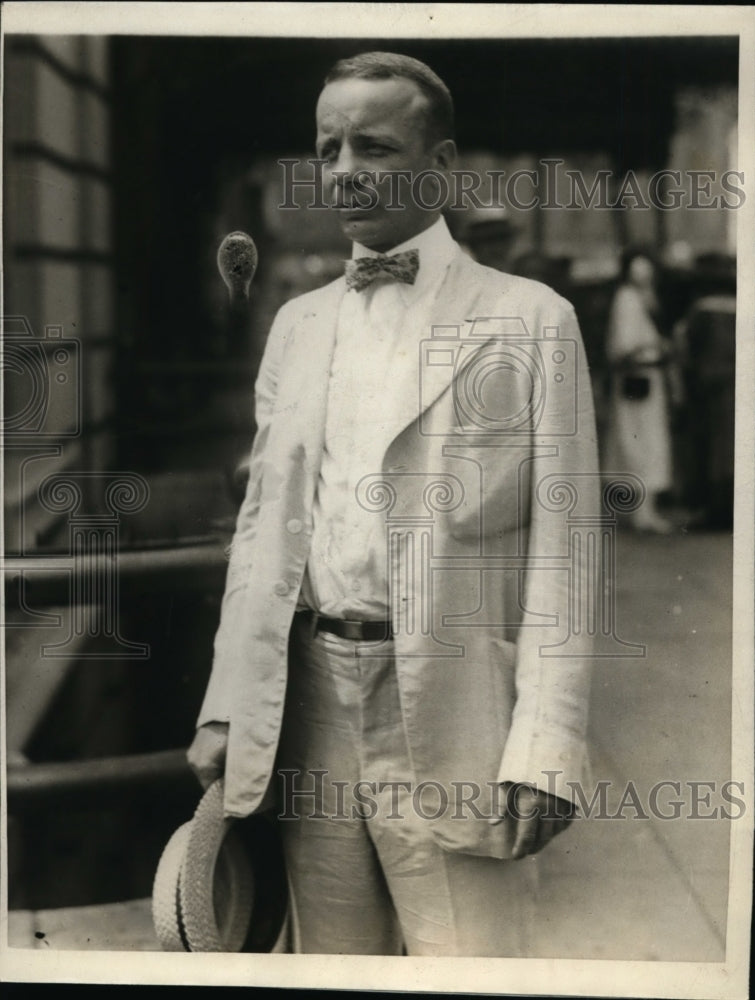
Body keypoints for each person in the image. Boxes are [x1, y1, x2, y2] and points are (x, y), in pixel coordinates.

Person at [188, 52, 599, 956]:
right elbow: (260, 533)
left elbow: (566, 548)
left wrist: (546, 746)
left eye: (373, 147)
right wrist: (226, 704)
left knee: (470, 967)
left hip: (458, 710)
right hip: (309, 708)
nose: (343, 171)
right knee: (332, 966)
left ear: (440, 164)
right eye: (327, 149)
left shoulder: (532, 320)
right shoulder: (296, 326)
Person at [603, 249, 676, 533]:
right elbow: (624, 345)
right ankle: (641, 512)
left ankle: (642, 510)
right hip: (636, 378)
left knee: (642, 439)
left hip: (646, 378)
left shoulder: (641, 299)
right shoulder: (628, 299)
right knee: (639, 440)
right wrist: (654, 346)